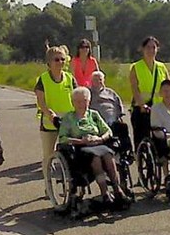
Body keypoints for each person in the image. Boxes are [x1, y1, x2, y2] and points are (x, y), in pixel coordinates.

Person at [58, 87, 129, 204]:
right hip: (79, 149)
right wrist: (80, 141)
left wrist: (100, 138)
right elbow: (62, 138)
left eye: (84, 100)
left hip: (97, 143)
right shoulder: (68, 118)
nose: (82, 104)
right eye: (78, 101)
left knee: (108, 155)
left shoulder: (94, 115)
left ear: (89, 101)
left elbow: (108, 131)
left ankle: (117, 189)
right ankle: (104, 192)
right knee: (95, 159)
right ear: (73, 102)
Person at [35, 46, 77, 184]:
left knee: (71, 153)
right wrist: (50, 115)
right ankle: (48, 184)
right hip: (50, 123)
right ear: (49, 63)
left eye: (62, 59)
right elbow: (41, 102)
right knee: (48, 155)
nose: (60, 62)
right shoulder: (43, 79)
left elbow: (77, 98)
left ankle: (72, 183)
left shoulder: (70, 79)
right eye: (56, 60)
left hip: (69, 122)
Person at [129, 36, 170, 149]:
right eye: (148, 47)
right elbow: (135, 88)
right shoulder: (136, 67)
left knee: (161, 138)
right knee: (142, 137)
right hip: (142, 108)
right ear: (142, 49)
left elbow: (169, 86)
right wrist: (142, 105)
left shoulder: (161, 67)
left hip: (159, 107)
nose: (151, 50)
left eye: (153, 47)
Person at [89, 71, 134, 161]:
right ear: (91, 81)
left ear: (104, 81)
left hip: (112, 121)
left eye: (100, 80)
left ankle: (127, 152)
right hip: (97, 123)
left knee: (123, 127)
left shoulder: (111, 93)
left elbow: (119, 105)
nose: (98, 82)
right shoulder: (89, 94)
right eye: (95, 80)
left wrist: (119, 115)